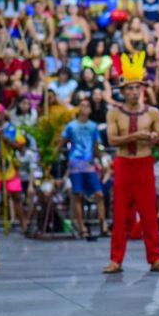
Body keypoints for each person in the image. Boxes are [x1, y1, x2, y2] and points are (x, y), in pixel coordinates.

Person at [104, 52, 159, 273]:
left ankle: (156, 258)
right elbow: (112, 139)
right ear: (122, 92)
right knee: (120, 215)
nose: (133, 92)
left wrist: (154, 139)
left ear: (142, 90)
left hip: (144, 165)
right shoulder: (114, 113)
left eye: (137, 88)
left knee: (149, 214)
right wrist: (137, 136)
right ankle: (116, 260)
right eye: (129, 88)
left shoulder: (153, 113)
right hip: (123, 164)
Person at [58, 97, 108, 239]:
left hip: (89, 164)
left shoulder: (93, 126)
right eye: (82, 105)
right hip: (75, 163)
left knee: (99, 194)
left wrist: (102, 158)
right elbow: (62, 142)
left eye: (87, 105)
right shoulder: (71, 126)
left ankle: (102, 224)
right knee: (77, 195)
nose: (84, 108)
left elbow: (95, 146)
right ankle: (82, 227)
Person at [0, 104, 28, 233]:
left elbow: (21, 147)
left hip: (10, 168)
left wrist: (7, 139)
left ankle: (24, 225)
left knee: (16, 196)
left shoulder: (12, 129)